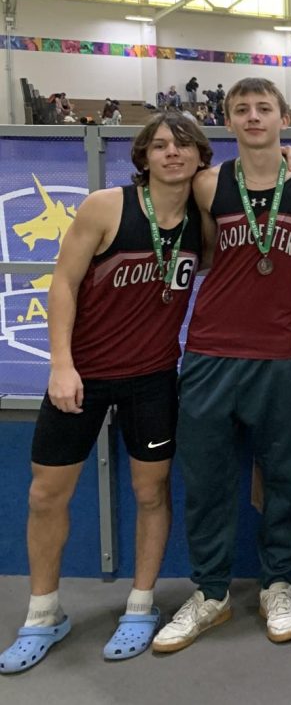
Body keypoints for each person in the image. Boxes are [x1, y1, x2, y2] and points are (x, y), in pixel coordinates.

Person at [0, 113, 209, 673]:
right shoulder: (105, 206)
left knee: (150, 492)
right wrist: (61, 364)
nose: (172, 153)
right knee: (47, 494)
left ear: (199, 157)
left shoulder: (202, 221)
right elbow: (63, 283)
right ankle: (43, 614)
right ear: (143, 156)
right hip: (83, 376)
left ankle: (140, 607)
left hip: (153, 377)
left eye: (183, 145)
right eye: (160, 145)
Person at [154, 79, 291, 653]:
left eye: (264, 109)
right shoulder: (207, 183)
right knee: (206, 479)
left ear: (283, 116)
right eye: (241, 110)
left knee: (284, 478)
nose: (253, 117)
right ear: (226, 120)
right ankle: (211, 592)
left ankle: (278, 583)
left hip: (280, 354)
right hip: (209, 351)